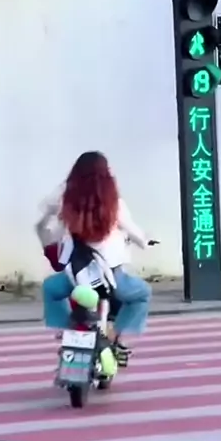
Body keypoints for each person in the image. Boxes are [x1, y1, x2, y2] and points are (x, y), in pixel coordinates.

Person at [41, 151, 152, 357]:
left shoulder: (67, 203)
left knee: (50, 289)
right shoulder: (115, 204)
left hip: (76, 278)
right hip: (112, 279)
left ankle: (67, 330)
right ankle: (117, 337)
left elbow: (51, 230)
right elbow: (133, 232)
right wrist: (145, 242)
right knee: (142, 294)